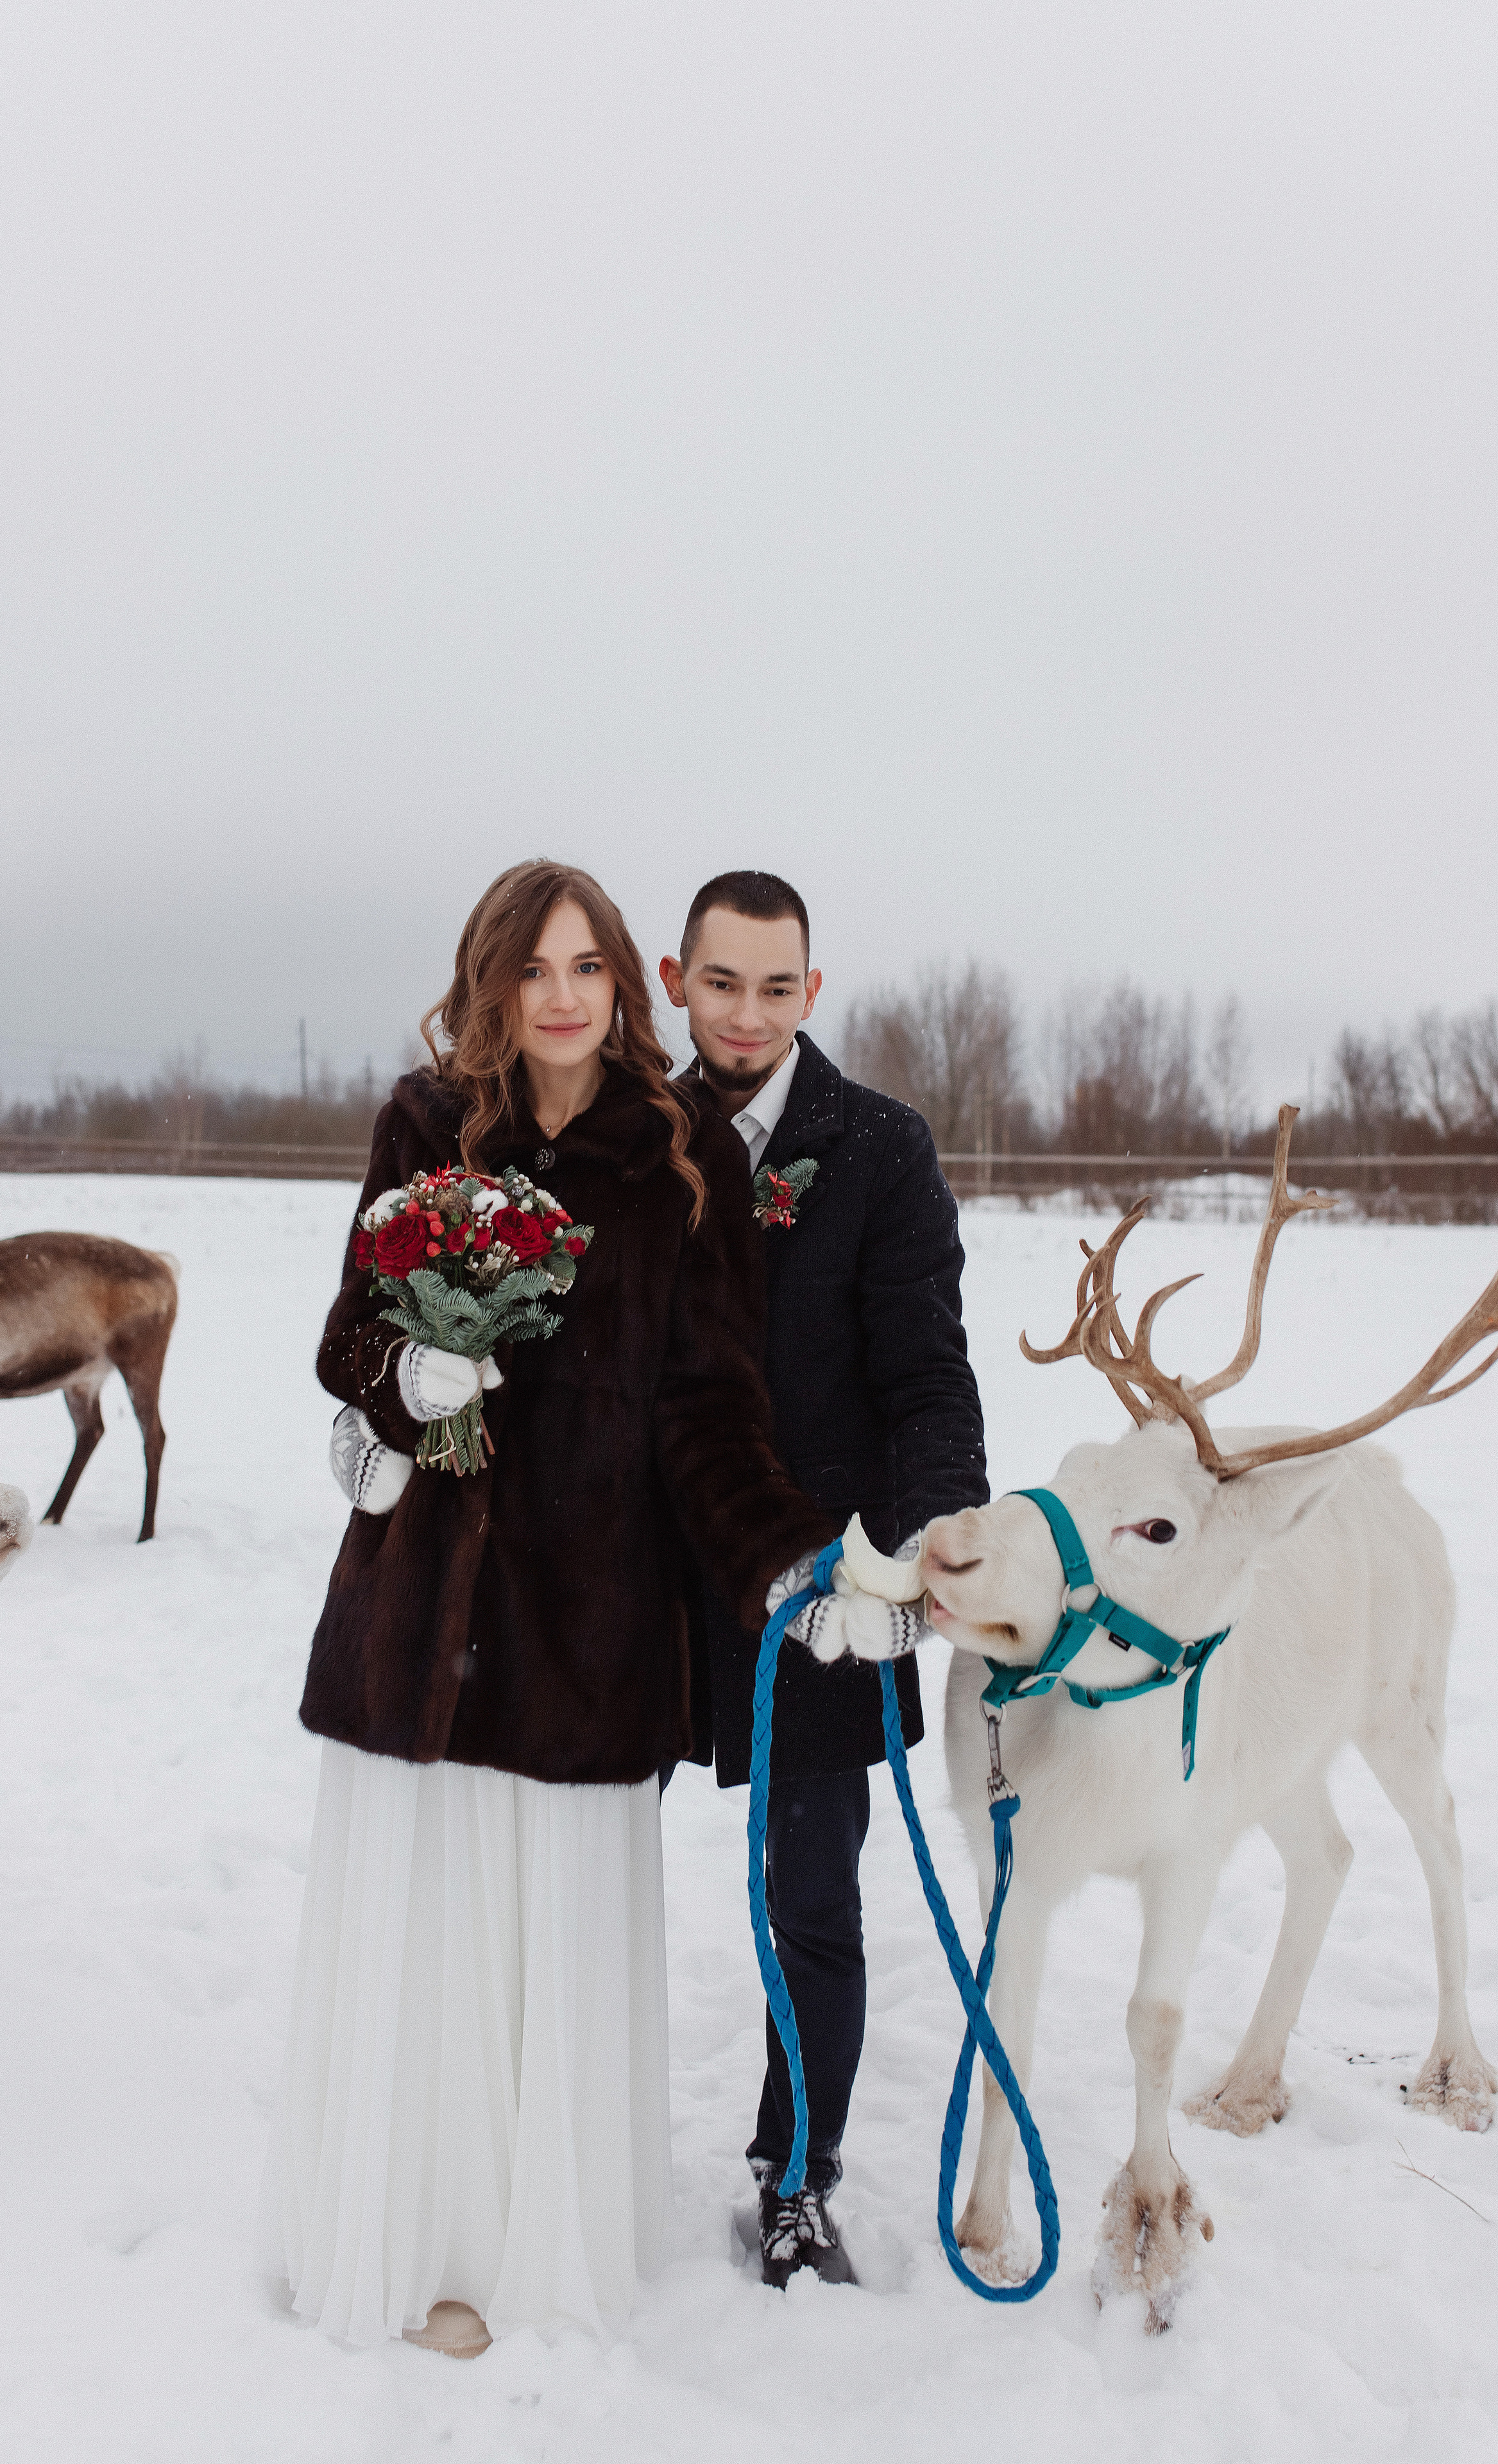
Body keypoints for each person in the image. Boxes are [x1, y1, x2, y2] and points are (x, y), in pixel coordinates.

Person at [257, 859, 835, 2355]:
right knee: (436, 1943)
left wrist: (789, 1565)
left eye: (588, 967)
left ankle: (536, 2246)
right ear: (491, 983)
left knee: (549, 1951)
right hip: (425, 1617)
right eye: (535, 969)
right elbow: (347, 1339)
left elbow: (710, 1408)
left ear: (621, 986)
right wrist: (409, 1378)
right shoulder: (423, 1126)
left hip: (589, 1632)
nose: (564, 996)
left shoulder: (681, 1154)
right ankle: (432, 2248)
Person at [660, 870, 988, 2289]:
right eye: (720, 982)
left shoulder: (880, 1149)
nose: (746, 1012)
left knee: (813, 1895)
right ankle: (553, 2151)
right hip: (644, 1586)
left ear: (812, 989)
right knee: (571, 1869)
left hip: (824, 1593)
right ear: (675, 982)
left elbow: (924, 1374)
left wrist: (921, 1551)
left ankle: (796, 2177)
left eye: (775, 985)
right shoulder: (627, 1136)